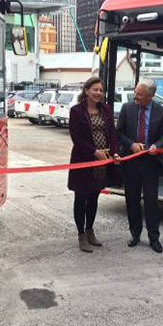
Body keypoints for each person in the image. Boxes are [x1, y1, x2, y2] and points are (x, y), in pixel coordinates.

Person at [117, 78, 163, 253]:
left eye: (139, 94)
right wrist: (131, 144)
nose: (135, 96)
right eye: (135, 92)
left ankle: (154, 237)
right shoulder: (127, 108)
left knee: (151, 201)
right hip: (131, 161)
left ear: (151, 96)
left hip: (150, 162)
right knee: (132, 200)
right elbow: (119, 133)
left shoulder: (162, 112)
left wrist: (158, 146)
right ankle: (135, 234)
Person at [68, 77, 120, 253]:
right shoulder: (76, 111)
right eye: (95, 89)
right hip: (83, 161)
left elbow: (112, 133)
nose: (99, 93)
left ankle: (90, 231)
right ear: (86, 90)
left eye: (101, 90)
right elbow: (76, 138)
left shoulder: (105, 109)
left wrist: (115, 152)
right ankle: (81, 235)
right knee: (81, 198)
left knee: (94, 197)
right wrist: (93, 152)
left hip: (102, 163)